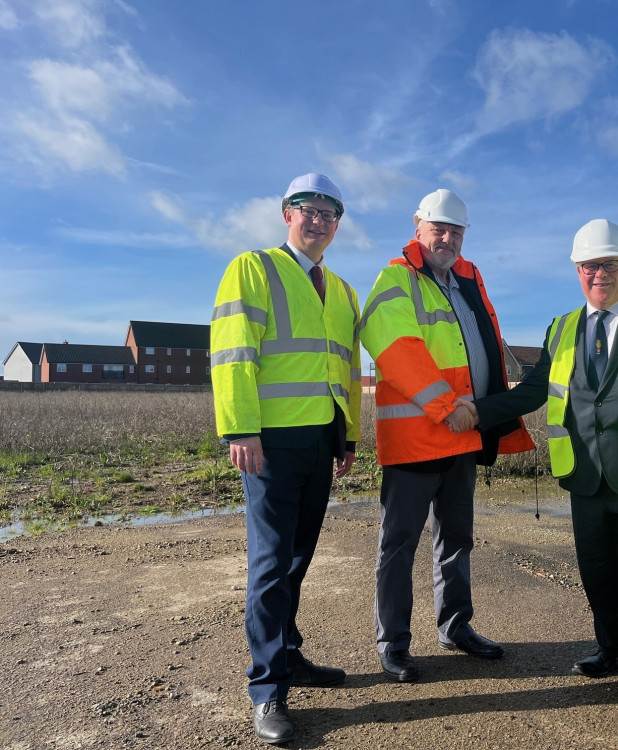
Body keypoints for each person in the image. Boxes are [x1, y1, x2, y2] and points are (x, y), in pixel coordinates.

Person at [467, 219, 618, 716]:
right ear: (577, 271)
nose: (600, 274)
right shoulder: (562, 326)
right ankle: (611, 650)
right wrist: (477, 413)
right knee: (598, 571)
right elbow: (534, 391)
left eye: (609, 264)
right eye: (591, 266)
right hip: (585, 475)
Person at [210, 172, 362, 744]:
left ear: (338, 223)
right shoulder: (254, 267)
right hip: (269, 441)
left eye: (330, 211)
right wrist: (241, 429)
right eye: (308, 208)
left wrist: (347, 437)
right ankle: (268, 690)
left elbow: (345, 368)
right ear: (286, 213)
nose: (319, 219)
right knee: (271, 563)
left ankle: (289, 655)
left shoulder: (343, 291)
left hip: (321, 440)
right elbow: (231, 353)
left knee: (297, 558)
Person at [359, 189, 534, 683]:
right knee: (399, 546)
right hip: (419, 438)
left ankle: (456, 626)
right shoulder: (396, 278)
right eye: (439, 227)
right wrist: (446, 407)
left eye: (456, 230)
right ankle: (392, 644)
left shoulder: (468, 279)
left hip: (464, 437)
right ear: (418, 226)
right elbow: (396, 347)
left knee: (456, 540)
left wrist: (486, 416)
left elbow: (486, 349)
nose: (447, 237)